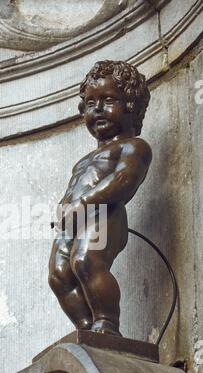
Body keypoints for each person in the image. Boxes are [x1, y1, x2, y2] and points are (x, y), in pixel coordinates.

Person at [48, 60, 152, 335]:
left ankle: (107, 323)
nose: (98, 110)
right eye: (91, 103)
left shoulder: (134, 146)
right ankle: (86, 329)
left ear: (131, 105)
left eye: (108, 101)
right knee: (59, 274)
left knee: (86, 261)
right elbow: (73, 189)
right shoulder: (83, 160)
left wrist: (81, 205)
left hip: (106, 215)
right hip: (75, 219)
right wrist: (63, 209)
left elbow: (123, 181)